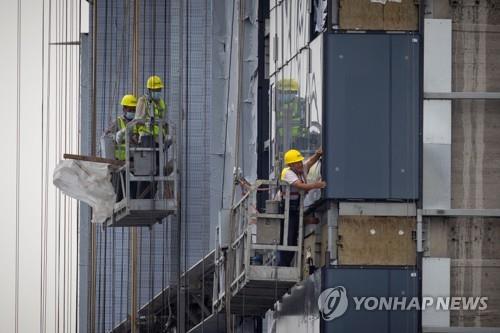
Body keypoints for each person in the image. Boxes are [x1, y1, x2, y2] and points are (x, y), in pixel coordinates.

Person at [278, 147, 326, 266]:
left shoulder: (300, 169)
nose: (300, 164)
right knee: (288, 240)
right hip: (287, 209)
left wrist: (317, 154)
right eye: (297, 163)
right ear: (291, 165)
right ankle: (283, 265)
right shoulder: (287, 173)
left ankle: (285, 263)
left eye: (300, 162)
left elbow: (309, 162)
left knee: (293, 239)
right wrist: (317, 185)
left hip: (295, 208)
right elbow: (301, 186)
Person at [136, 75, 168, 143]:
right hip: (146, 136)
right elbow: (138, 120)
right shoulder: (143, 101)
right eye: (156, 90)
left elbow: (165, 121)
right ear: (149, 90)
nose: (158, 92)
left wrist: (166, 135)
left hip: (159, 138)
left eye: (159, 89)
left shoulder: (161, 102)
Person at [114, 94, 139, 161]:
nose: (132, 112)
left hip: (134, 159)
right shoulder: (118, 121)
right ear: (124, 109)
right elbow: (108, 137)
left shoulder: (138, 122)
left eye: (134, 110)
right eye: (130, 110)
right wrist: (120, 135)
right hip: (119, 160)